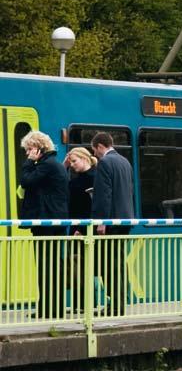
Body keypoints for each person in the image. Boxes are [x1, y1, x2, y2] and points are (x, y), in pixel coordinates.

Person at [19, 130, 69, 320]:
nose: (27, 154)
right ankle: (51, 308)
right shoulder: (52, 164)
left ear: (38, 149)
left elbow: (25, 181)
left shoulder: (46, 165)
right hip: (53, 221)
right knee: (51, 267)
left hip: (47, 222)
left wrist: (29, 163)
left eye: (29, 149)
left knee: (47, 267)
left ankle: (50, 309)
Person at [91, 132, 135, 315]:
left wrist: (101, 222)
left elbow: (103, 195)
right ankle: (119, 304)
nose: (95, 155)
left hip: (110, 222)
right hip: (124, 219)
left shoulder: (105, 163)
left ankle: (114, 306)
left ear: (100, 146)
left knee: (109, 265)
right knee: (119, 264)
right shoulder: (125, 162)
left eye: (94, 151)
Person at [65, 147, 97, 313]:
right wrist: (64, 166)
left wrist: (81, 228)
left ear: (85, 159)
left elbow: (92, 207)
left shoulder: (94, 178)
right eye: (70, 162)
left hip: (83, 230)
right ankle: (78, 304)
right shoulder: (76, 180)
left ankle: (87, 304)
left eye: (74, 161)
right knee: (77, 268)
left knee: (85, 268)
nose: (72, 165)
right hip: (75, 228)